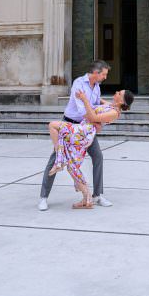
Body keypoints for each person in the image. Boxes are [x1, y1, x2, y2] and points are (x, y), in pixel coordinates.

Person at [38, 60, 111, 211]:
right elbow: (83, 110)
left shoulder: (96, 86)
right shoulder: (79, 84)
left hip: (85, 127)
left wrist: (108, 106)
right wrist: (98, 121)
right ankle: (43, 198)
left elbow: (95, 104)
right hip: (70, 125)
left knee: (98, 156)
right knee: (55, 159)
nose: (105, 77)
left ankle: (97, 195)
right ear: (96, 73)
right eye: (103, 74)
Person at [47, 88, 134, 208]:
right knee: (72, 166)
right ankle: (86, 198)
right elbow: (97, 99)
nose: (116, 92)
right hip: (82, 129)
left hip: (84, 132)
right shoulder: (110, 105)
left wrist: (84, 99)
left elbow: (93, 118)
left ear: (122, 102)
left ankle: (60, 158)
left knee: (53, 125)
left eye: (119, 93)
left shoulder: (114, 113)